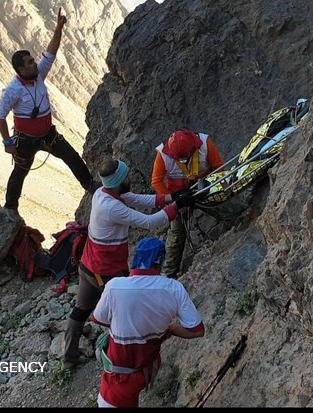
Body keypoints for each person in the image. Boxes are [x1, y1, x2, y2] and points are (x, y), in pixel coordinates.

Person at [62, 159, 197, 368]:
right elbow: (149, 222)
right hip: (106, 272)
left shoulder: (103, 193)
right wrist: (176, 206)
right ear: (119, 180)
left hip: (88, 265)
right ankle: (125, 355)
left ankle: (69, 358)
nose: (130, 178)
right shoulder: (112, 207)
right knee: (125, 308)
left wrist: (173, 197)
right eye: (127, 176)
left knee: (80, 310)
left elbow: (140, 199)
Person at [0, 7, 94, 217]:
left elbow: (51, 53)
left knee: (72, 157)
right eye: (30, 62)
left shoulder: (38, 74)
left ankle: (91, 187)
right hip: (25, 140)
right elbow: (0, 116)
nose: (35, 63)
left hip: (48, 134)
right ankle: (10, 208)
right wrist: (7, 143)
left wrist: (59, 28)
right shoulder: (12, 90)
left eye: (33, 60)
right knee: (20, 172)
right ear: (21, 70)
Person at [91, 237, 205, 408]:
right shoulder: (174, 289)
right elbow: (197, 331)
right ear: (160, 262)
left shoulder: (115, 286)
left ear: (135, 259)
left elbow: (98, 318)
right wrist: (171, 329)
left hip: (120, 375)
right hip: (146, 370)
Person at [151, 128, 224, 278]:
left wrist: (205, 186)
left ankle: (237, 221)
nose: (182, 161)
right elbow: (157, 181)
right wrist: (172, 202)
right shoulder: (163, 155)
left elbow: (220, 168)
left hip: (204, 189)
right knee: (177, 233)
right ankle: (169, 273)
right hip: (178, 198)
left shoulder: (205, 143)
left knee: (222, 208)